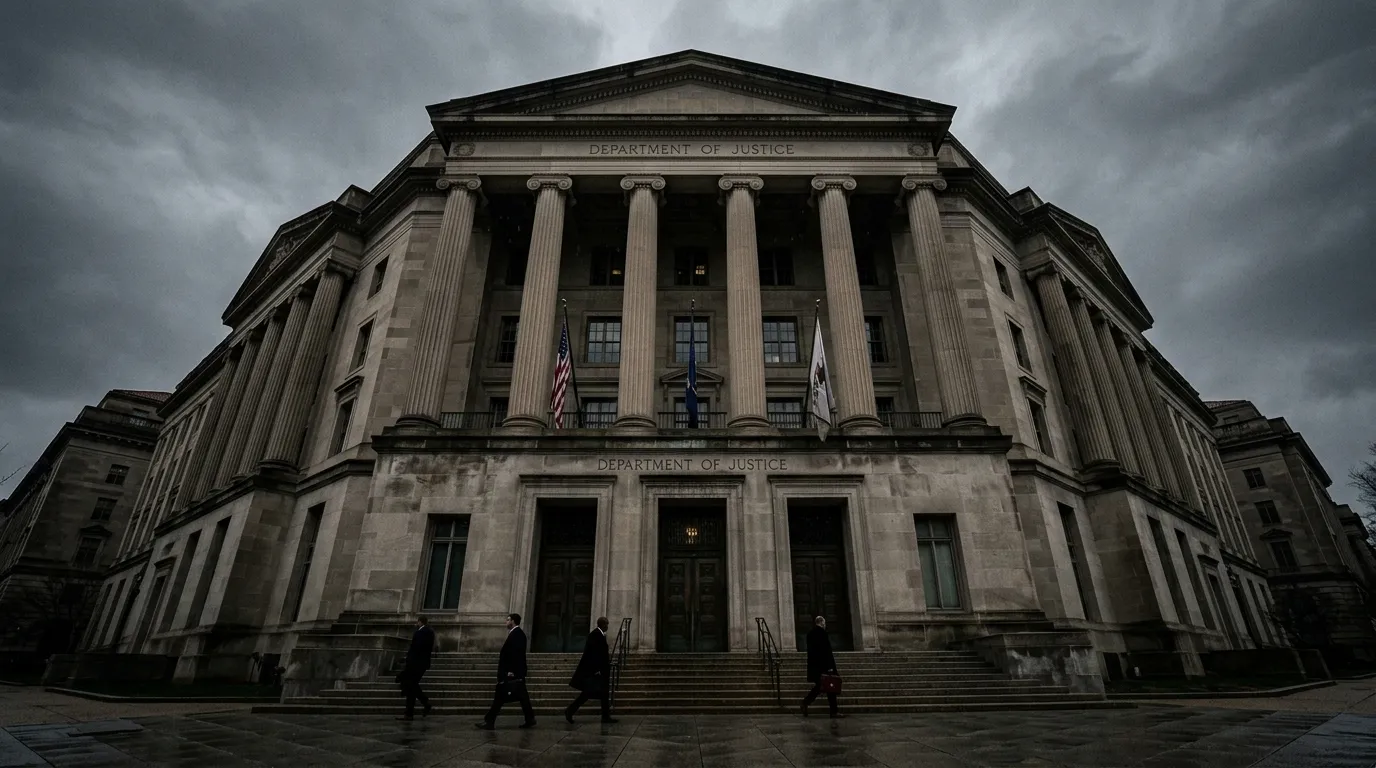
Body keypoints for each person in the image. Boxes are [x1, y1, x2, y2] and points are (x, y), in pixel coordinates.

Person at [477, 613, 535, 729]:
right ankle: (530, 719)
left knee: (500, 696)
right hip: (515, 672)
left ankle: (489, 721)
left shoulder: (517, 634)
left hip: (512, 672)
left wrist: (511, 671)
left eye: (508, 620)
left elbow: (516, 655)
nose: (506, 622)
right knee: (522, 697)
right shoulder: (516, 634)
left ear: (513, 621)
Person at [565, 616, 617, 724]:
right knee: (588, 694)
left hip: (600, 670)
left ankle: (605, 716)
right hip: (596, 671)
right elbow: (593, 654)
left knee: (602, 694)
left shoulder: (599, 635)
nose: (607, 626)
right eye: (606, 624)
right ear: (603, 625)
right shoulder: (595, 635)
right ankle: (570, 711)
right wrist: (597, 669)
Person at [802, 615, 844, 718]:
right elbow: (826, 652)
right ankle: (833, 711)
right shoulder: (822, 634)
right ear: (822, 623)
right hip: (824, 667)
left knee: (820, 688)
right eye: (824, 623)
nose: (825, 625)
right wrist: (830, 667)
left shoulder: (810, 634)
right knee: (830, 688)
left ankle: (805, 703)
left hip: (814, 667)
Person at [397, 615, 434, 721]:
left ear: (420, 622)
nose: (416, 624)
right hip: (421, 664)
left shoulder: (420, 632)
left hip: (416, 664)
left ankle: (418, 707)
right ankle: (415, 709)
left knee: (410, 685)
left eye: (417, 622)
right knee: (411, 686)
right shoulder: (429, 632)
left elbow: (416, 648)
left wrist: (408, 660)